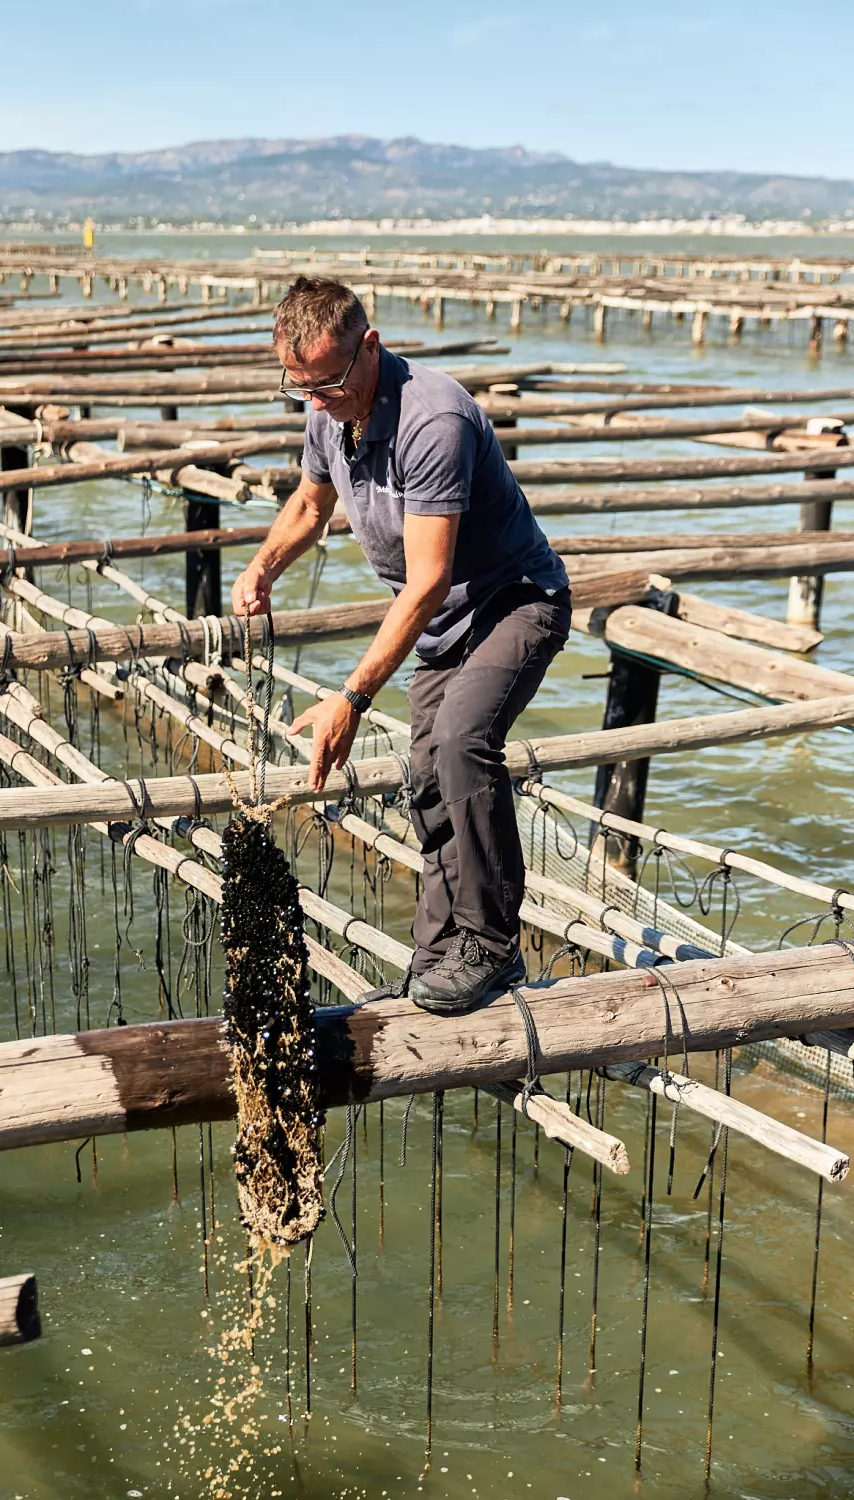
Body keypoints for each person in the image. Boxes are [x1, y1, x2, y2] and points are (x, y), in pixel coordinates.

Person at [231, 277, 571, 1015]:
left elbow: (426, 581)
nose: (316, 402)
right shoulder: (329, 410)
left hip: (513, 601)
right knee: (426, 774)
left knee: (461, 742)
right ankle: (439, 952)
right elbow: (310, 503)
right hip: (444, 623)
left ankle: (492, 945)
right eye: (300, 388)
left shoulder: (433, 420)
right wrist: (263, 567)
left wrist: (351, 698)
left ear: (371, 347)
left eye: (328, 383)